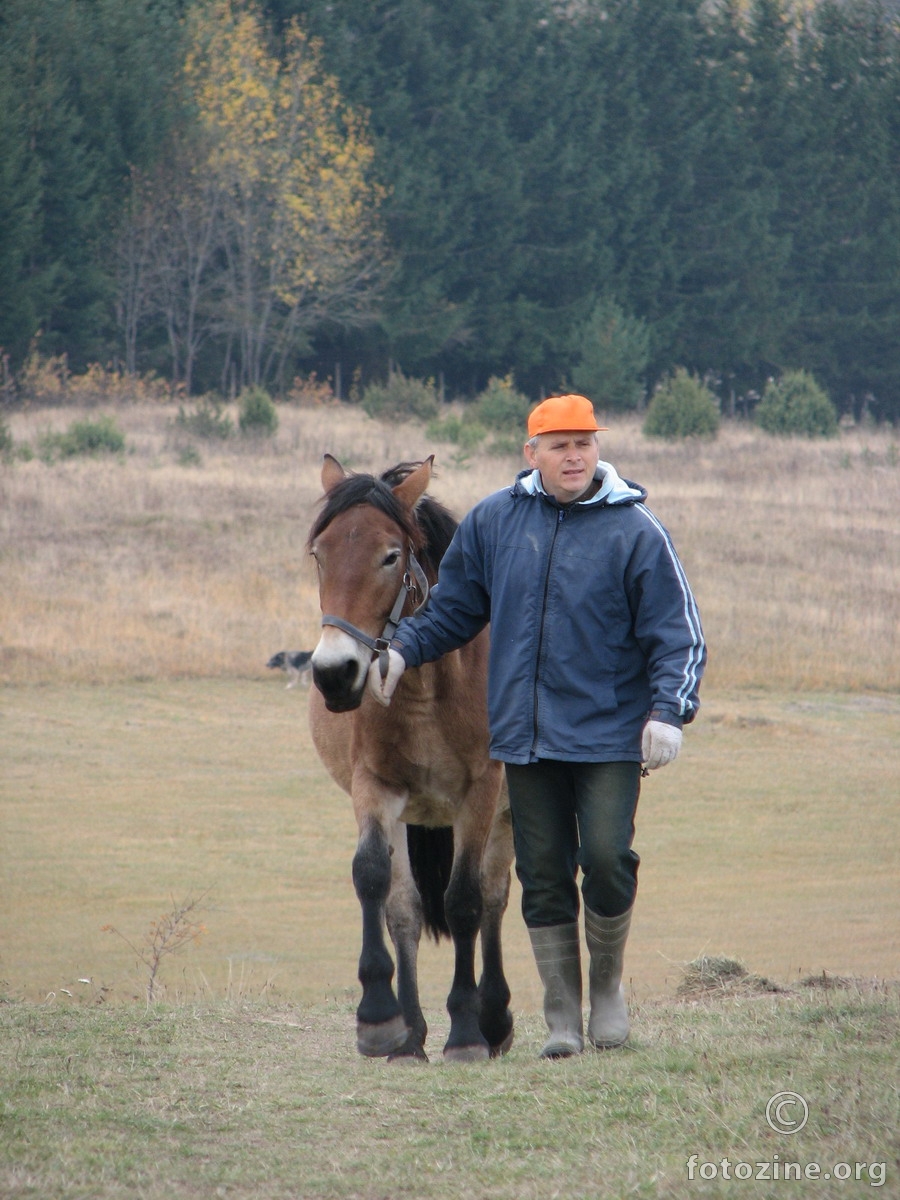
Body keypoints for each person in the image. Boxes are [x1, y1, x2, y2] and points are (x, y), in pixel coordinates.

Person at [367, 393, 706, 1058]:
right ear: (533, 454)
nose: (574, 455)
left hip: (610, 735)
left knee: (607, 861)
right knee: (543, 876)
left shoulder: (637, 531)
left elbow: (678, 634)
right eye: (559, 445)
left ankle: (605, 994)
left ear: (597, 449)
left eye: (584, 442)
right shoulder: (495, 521)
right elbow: (455, 609)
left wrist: (669, 712)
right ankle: (561, 1019)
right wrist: (404, 647)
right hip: (522, 737)